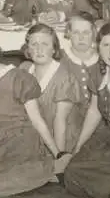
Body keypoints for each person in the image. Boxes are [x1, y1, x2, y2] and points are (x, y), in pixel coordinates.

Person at [0, 25, 64, 196]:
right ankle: (39, 175)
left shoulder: (19, 78)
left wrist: (56, 152)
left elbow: (36, 120)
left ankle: (50, 167)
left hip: (21, 143)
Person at [64, 21, 110, 197]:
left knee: (109, 184)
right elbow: (94, 111)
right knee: (72, 171)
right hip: (107, 137)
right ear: (98, 46)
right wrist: (78, 146)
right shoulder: (98, 74)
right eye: (106, 45)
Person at [20, 24, 85, 154]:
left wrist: (59, 156)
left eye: (45, 44)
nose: (39, 50)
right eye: (34, 44)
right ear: (28, 49)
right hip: (35, 135)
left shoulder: (64, 78)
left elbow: (60, 121)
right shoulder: (24, 69)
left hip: (61, 139)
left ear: (54, 49)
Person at [61, 13, 102, 113]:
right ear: (68, 33)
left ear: (93, 33)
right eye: (76, 32)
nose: (81, 37)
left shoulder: (103, 58)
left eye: (86, 33)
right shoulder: (60, 58)